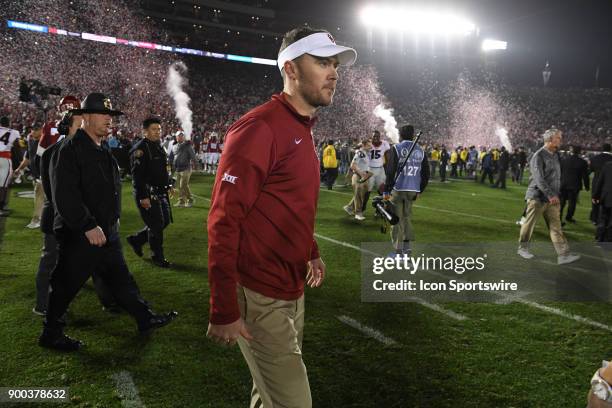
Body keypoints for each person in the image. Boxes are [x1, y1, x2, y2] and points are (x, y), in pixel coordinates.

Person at [206, 26, 356, 408]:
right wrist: (223, 306)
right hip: (260, 291)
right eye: (322, 62)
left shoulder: (300, 126)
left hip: (291, 284)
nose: (333, 72)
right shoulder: (260, 127)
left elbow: (290, 204)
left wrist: (311, 248)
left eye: (334, 64)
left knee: (268, 396)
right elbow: (224, 219)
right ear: (290, 69)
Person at [41, 93, 177, 351]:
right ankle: (51, 332)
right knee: (66, 285)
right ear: (86, 117)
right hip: (82, 234)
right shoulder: (70, 149)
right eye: (104, 115)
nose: (109, 120)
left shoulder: (101, 148)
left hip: (107, 232)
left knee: (122, 279)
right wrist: (87, 225)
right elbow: (64, 194)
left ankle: (144, 318)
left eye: (111, 116)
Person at [517, 128, 580, 265]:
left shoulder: (555, 155)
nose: (560, 140)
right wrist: (551, 194)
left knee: (556, 227)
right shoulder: (538, 156)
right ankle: (523, 248)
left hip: (553, 198)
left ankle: (563, 255)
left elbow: (556, 177)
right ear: (550, 140)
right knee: (529, 224)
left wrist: (556, 193)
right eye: (558, 138)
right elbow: (539, 179)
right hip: (537, 197)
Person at [127, 117, 173, 268]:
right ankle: (157, 256)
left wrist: (169, 184)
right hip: (148, 193)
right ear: (145, 131)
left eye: (159, 129)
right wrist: (143, 196)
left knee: (164, 221)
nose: (158, 132)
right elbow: (137, 176)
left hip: (161, 192)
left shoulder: (159, 146)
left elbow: (163, 169)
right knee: (156, 225)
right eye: (154, 129)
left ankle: (137, 240)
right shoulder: (140, 149)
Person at [384, 125, 430, 255]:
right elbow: (426, 173)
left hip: (398, 189)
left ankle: (397, 251)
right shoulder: (420, 150)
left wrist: (387, 190)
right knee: (406, 218)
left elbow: (390, 171)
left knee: (395, 219)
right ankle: (407, 247)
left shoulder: (397, 148)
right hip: (412, 191)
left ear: (401, 135)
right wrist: (420, 190)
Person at [13, 122, 44, 228]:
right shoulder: (30, 141)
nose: (32, 131)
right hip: (36, 174)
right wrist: (19, 169)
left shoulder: (46, 141)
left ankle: (36, 220)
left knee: (40, 196)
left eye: (35, 129)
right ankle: (42, 219)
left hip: (45, 174)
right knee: (39, 197)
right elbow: (27, 159)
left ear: (41, 130)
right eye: (32, 129)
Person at [560, 145, 589, 226]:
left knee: (561, 203)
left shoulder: (564, 160)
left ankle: (559, 218)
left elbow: (560, 172)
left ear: (571, 151)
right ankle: (569, 217)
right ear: (579, 152)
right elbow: (585, 176)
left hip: (563, 184)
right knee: (572, 203)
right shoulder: (582, 162)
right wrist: (587, 186)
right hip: (574, 185)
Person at [344, 139, 372, 220]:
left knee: (361, 194)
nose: (371, 145)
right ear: (364, 144)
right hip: (358, 176)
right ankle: (358, 213)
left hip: (364, 176)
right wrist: (361, 174)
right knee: (359, 194)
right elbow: (352, 165)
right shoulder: (360, 153)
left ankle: (349, 207)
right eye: (369, 143)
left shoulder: (365, 153)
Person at [0, 116, 21, 216]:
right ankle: (1, 208)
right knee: (3, 185)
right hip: (5, 159)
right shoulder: (14, 132)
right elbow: (18, 146)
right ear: (9, 123)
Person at [169, 131, 196, 207]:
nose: (180, 137)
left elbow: (193, 156)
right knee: (181, 186)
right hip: (177, 169)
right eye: (179, 136)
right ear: (176, 137)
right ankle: (182, 201)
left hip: (186, 168)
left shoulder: (188, 146)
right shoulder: (174, 146)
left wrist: (195, 164)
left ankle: (190, 200)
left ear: (184, 137)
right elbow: (171, 157)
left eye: (182, 136)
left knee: (183, 185)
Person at [589, 144, 612, 225]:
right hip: (608, 185)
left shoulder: (595, 158)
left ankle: (595, 219)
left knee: (595, 202)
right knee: (607, 204)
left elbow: (590, 170)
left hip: (596, 183)